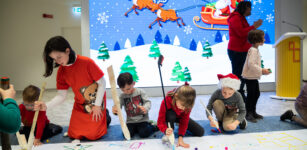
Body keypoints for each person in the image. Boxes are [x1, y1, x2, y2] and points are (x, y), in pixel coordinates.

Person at [35, 36, 111, 143]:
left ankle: (105, 116)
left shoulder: (87, 62)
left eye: (59, 57)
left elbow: (102, 83)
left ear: (67, 51)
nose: (57, 61)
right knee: (74, 134)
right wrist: (46, 106)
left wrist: (98, 106)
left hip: (96, 101)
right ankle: (102, 117)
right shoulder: (61, 71)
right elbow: (61, 96)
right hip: (80, 104)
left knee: (93, 135)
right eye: (54, 59)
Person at [227, 1, 263, 104]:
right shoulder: (235, 18)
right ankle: (237, 97)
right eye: (249, 8)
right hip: (237, 51)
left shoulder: (241, 17)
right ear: (244, 8)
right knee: (238, 75)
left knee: (242, 75)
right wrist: (254, 27)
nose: (250, 10)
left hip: (242, 51)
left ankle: (240, 96)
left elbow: (245, 33)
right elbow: (241, 33)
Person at [157, 83, 204, 148]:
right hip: (170, 116)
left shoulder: (188, 103)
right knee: (171, 115)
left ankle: (178, 124)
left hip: (180, 117)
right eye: (182, 105)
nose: (184, 108)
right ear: (176, 96)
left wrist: (180, 137)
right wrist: (165, 130)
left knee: (200, 132)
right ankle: (170, 130)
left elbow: (185, 121)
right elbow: (160, 122)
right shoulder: (166, 101)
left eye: (186, 107)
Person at [112, 72, 156, 138]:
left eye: (128, 89)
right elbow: (118, 106)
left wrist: (145, 108)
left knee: (144, 133)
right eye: (122, 90)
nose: (126, 92)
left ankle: (153, 126)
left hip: (142, 120)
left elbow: (147, 102)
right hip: (130, 121)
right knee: (126, 135)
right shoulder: (122, 96)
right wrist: (115, 109)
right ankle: (136, 129)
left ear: (133, 83)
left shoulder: (140, 92)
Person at [242, 29, 271, 122]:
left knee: (256, 94)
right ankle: (248, 113)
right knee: (251, 95)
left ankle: (253, 112)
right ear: (257, 39)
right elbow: (251, 64)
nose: (264, 40)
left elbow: (254, 65)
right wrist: (262, 70)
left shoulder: (255, 50)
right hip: (250, 77)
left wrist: (262, 71)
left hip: (253, 76)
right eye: (263, 38)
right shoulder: (253, 50)